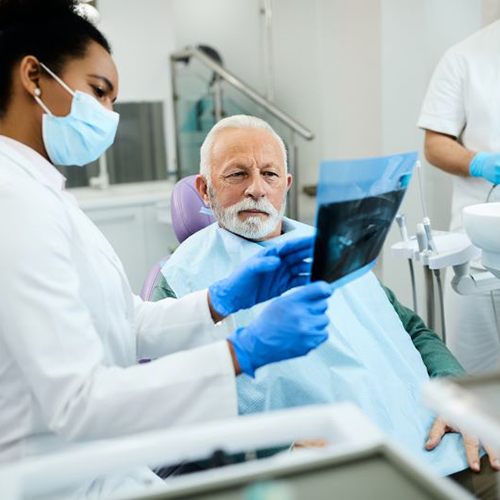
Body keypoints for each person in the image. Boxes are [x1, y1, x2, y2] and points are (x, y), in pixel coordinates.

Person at [0, 1, 333, 496]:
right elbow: (76, 401)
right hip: (54, 479)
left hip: (98, 466)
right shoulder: (13, 201)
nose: (109, 116)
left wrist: (220, 299)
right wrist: (239, 353)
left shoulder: (43, 193)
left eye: (112, 100)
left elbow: (124, 322)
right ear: (33, 76)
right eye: (98, 91)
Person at [156, 115, 499, 498]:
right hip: (332, 469)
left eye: (269, 174)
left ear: (285, 186)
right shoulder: (185, 277)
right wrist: (276, 455)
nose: (256, 189)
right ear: (205, 189)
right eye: (237, 175)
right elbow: (176, 405)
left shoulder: (333, 241)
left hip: (440, 437)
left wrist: (457, 395)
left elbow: (410, 328)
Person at [418, 20, 500, 374]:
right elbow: (435, 144)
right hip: (481, 246)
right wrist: (479, 162)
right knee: (473, 371)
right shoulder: (464, 57)